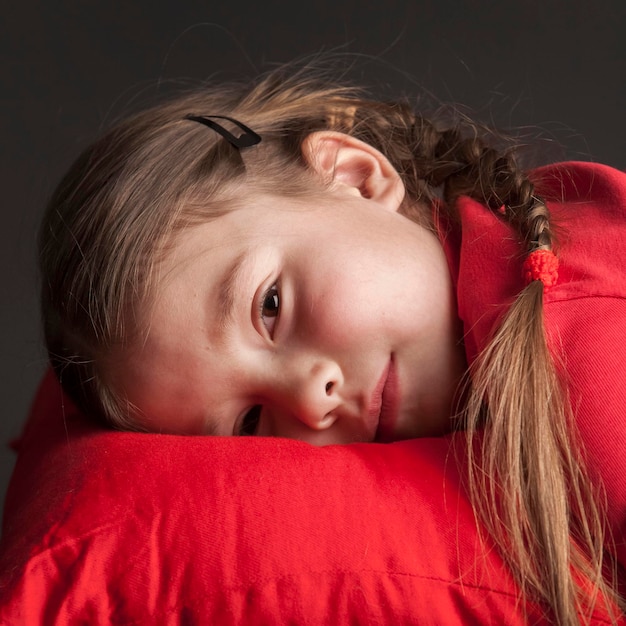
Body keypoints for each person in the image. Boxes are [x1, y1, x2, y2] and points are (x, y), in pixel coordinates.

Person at [39, 59, 625, 624]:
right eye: (249, 422)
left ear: (355, 177)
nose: (311, 399)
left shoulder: (589, 365)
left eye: (271, 306)